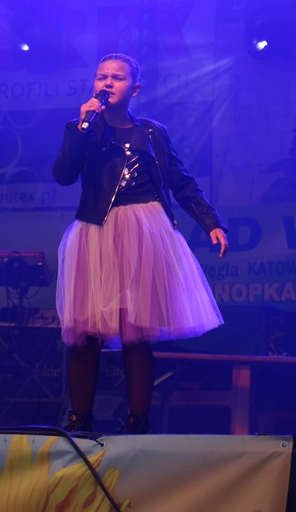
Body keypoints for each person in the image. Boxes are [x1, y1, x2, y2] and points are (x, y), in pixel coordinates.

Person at [52, 53, 229, 434]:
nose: (107, 83)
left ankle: (137, 421)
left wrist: (211, 221)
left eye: (117, 77)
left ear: (134, 89)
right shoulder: (83, 127)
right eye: (101, 76)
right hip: (97, 231)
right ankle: (79, 419)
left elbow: (181, 181)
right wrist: (81, 128)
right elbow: (64, 175)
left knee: (137, 333)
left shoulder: (152, 132)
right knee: (86, 336)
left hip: (145, 233)